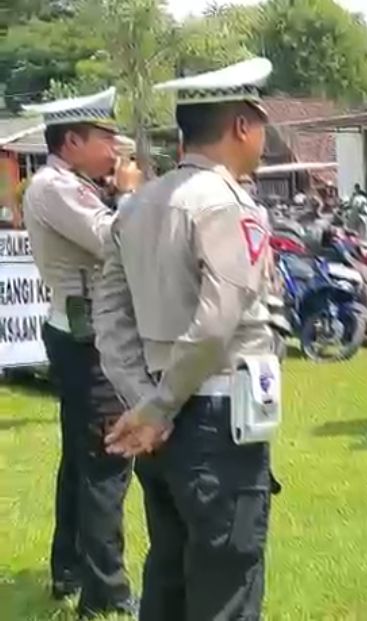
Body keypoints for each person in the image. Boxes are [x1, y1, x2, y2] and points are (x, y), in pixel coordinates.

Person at [93, 57, 279, 619]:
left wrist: (145, 400)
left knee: (170, 576)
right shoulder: (226, 203)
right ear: (242, 125)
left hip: (162, 418)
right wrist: (159, 406)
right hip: (216, 417)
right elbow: (217, 323)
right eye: (261, 123)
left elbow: (111, 319)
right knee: (226, 580)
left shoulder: (138, 205)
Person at [22, 87, 136, 617]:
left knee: (81, 459)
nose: (115, 148)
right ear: (72, 141)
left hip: (81, 334)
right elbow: (116, 240)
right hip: (89, 339)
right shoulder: (56, 188)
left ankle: (68, 567)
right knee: (108, 457)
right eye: (105, 138)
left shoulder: (68, 185)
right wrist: (129, 198)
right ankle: (106, 590)